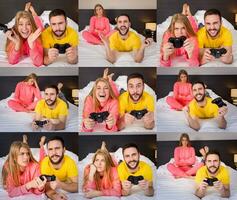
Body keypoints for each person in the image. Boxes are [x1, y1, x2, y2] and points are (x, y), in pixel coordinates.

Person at [5, 2, 43, 67]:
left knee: (39, 26)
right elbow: (12, 61)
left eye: (28, 24)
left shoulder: (35, 37)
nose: (24, 28)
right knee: (24, 18)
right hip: (18, 34)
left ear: (31, 26)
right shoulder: (15, 37)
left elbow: (38, 63)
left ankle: (33, 13)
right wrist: (17, 44)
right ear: (17, 26)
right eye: (21, 24)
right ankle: (26, 12)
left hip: (34, 30)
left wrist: (31, 43)